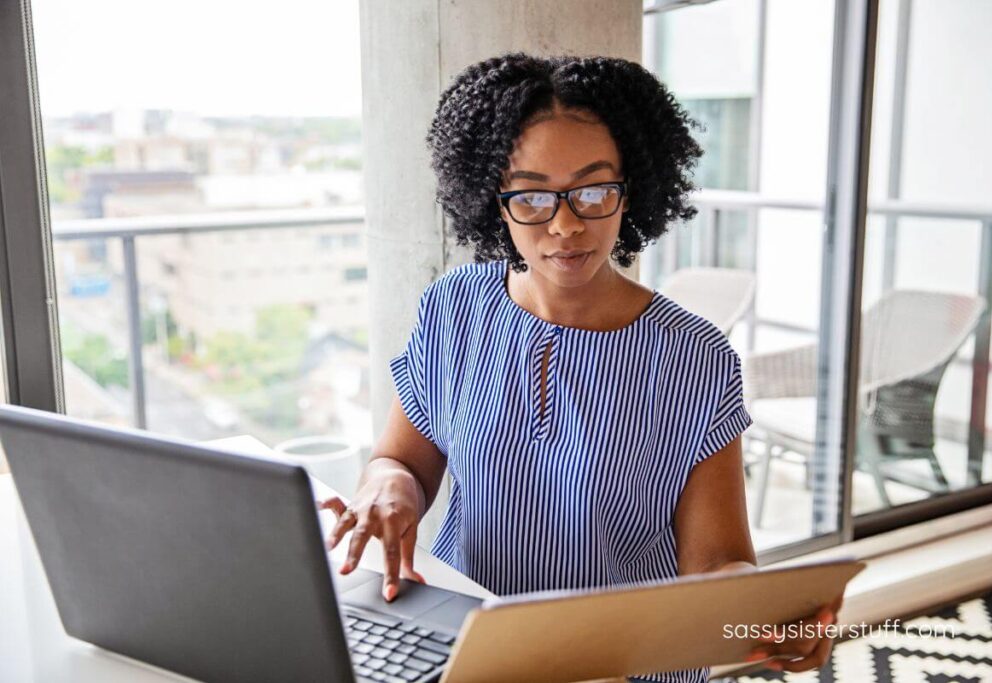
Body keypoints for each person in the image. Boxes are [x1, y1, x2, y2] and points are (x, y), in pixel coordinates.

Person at [319, 53, 843, 683]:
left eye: (594, 191)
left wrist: (763, 615)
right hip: (470, 649)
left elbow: (717, 565)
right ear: (496, 199)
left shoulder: (694, 356)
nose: (566, 225)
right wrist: (388, 483)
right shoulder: (454, 308)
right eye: (534, 196)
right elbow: (402, 460)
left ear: (634, 190)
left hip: (621, 667)